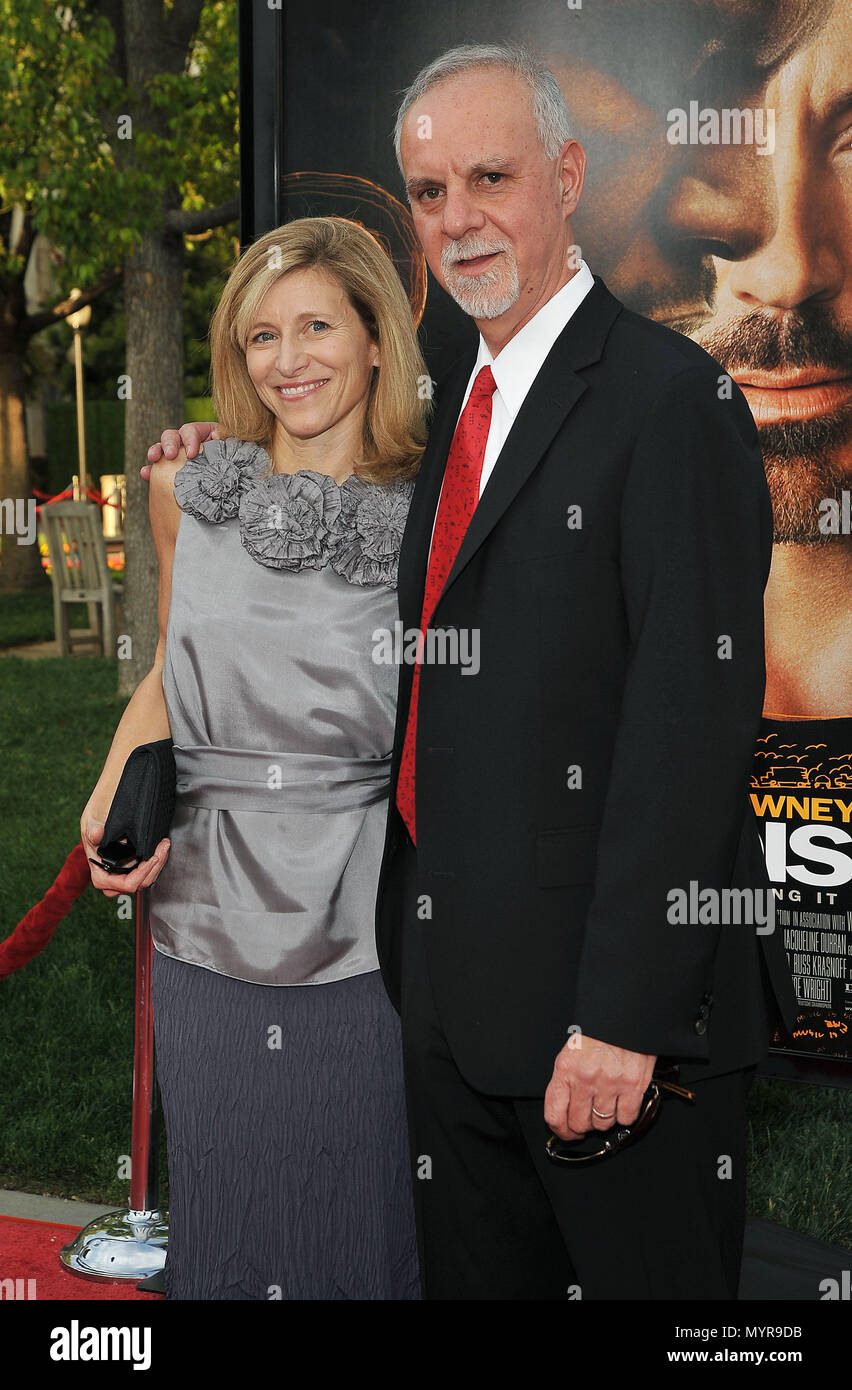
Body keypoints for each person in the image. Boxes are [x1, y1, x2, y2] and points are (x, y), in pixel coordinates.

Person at [146, 42, 798, 1300]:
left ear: (566, 175)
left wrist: (621, 1021)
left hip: (607, 1037)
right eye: (431, 192)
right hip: (444, 1012)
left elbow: (688, 734)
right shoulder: (444, 420)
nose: (459, 219)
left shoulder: (672, 402)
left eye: (489, 177)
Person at [83, 216, 430, 1299]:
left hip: (365, 916)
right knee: (232, 1207)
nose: (289, 361)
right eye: (260, 337)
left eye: (318, 325)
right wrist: (109, 807)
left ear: (378, 338)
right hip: (202, 911)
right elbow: (166, 675)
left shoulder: (433, 511)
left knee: (362, 1208)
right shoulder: (186, 491)